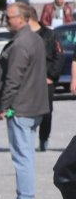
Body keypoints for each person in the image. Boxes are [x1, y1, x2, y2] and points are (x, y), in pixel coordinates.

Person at [0, 2, 51, 199]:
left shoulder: (21, 44)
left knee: (22, 155)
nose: (6, 21)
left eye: (9, 17)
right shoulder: (35, 39)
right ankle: (26, 197)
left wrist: (3, 106)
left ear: (22, 18)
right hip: (35, 105)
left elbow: (13, 79)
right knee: (27, 153)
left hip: (21, 107)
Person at [33, 13, 62, 151]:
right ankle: (27, 139)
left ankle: (44, 138)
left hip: (46, 79)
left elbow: (59, 56)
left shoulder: (50, 35)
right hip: (28, 81)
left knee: (46, 112)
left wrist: (51, 76)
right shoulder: (21, 35)